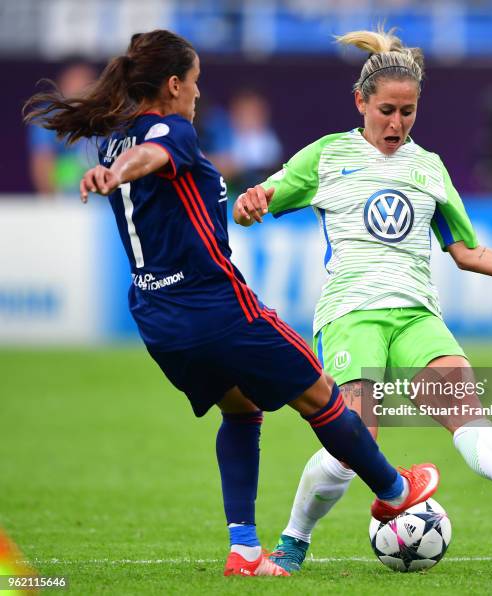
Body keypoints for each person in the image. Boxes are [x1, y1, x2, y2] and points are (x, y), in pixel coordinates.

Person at [22, 30, 440, 578]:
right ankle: (391, 489)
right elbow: (155, 153)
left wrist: (110, 168)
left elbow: (139, 159)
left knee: (242, 409)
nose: (198, 94)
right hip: (215, 305)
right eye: (194, 83)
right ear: (173, 85)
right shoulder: (170, 129)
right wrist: (117, 175)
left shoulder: (113, 138)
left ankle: (244, 549)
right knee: (322, 395)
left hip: (156, 317)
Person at [234, 27, 492, 572]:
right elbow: (258, 200)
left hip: (418, 315)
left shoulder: (429, 167)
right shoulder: (329, 155)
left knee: (465, 411)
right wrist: (252, 201)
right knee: (353, 444)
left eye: (408, 112)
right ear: (361, 102)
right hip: (352, 314)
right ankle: (293, 541)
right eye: (387, 110)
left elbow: (467, 251)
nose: (397, 123)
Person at [27, 61, 97, 195]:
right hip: (64, 202)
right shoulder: (47, 118)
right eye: (75, 86)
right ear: (63, 87)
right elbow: (42, 164)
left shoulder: (107, 117)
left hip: (102, 204)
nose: (80, 93)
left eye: (86, 86)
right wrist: (53, 205)